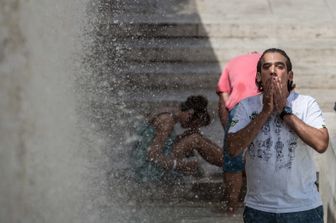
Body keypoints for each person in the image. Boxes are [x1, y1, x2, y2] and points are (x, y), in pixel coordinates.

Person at [226, 48, 329, 223]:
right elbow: (233, 148)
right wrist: (265, 112)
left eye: (279, 66)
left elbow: (321, 143)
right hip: (259, 210)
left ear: (290, 76)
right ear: (259, 76)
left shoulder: (306, 103)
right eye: (267, 67)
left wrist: (285, 113)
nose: (273, 71)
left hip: (303, 208)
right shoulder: (246, 106)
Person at [131, 95, 223, 183]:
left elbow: (160, 144)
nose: (192, 127)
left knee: (194, 135)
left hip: (144, 164)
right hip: (147, 171)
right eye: (194, 124)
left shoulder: (168, 112)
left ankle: (226, 158)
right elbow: (152, 156)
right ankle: (228, 164)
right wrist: (181, 165)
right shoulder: (167, 122)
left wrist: (182, 137)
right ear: (190, 114)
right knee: (195, 139)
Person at [216, 52, 261, 214]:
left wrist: (231, 136)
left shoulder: (231, 64)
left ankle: (231, 207)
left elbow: (223, 105)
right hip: (263, 104)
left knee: (232, 160)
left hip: (239, 107)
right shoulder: (270, 60)